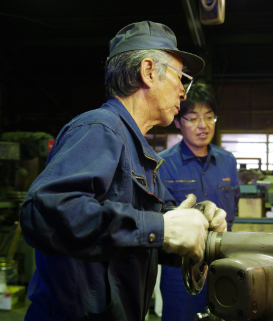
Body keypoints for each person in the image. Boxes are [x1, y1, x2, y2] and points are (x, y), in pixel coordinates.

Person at [19, 21, 227, 321]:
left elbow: (145, 235)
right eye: (181, 78)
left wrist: (198, 225)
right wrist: (162, 229)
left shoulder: (139, 151)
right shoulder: (100, 129)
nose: (183, 92)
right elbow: (43, 213)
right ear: (148, 71)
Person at [159, 82, 241, 321]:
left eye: (209, 117)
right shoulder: (162, 164)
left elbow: (233, 213)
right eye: (193, 118)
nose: (203, 126)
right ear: (177, 122)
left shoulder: (227, 161)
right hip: (180, 270)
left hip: (223, 264)